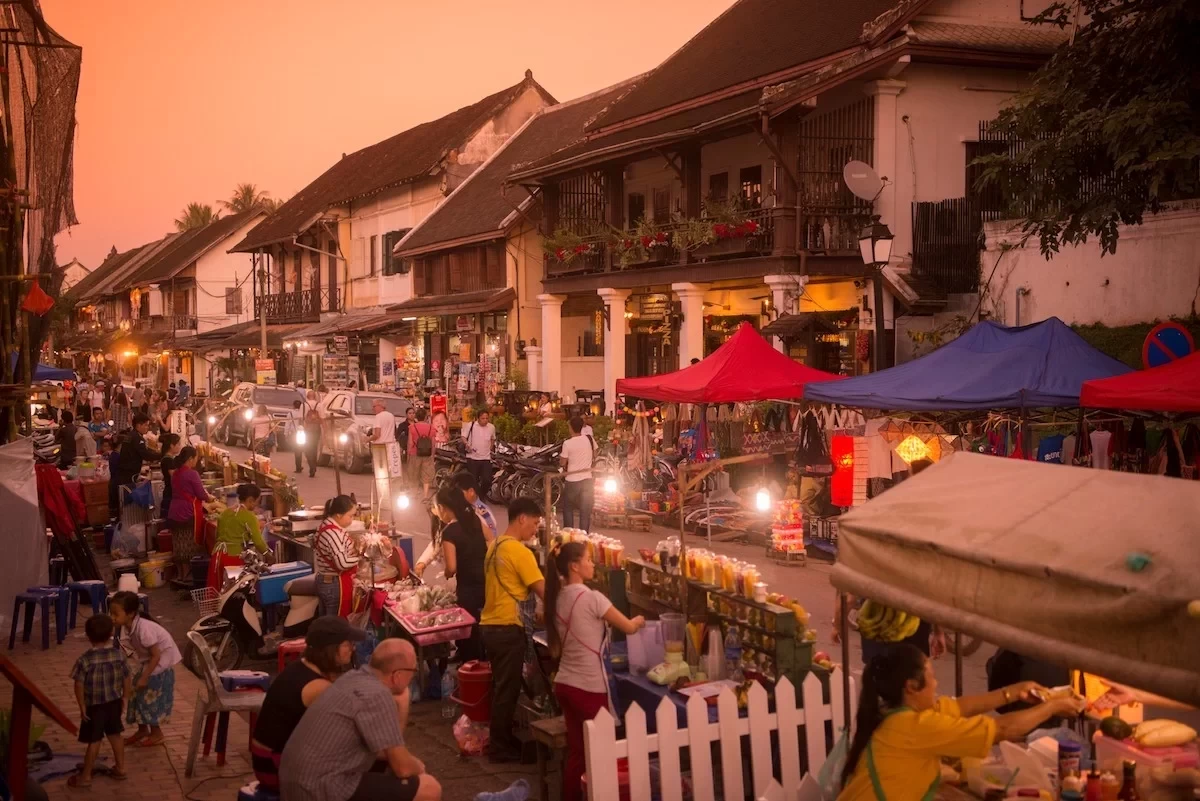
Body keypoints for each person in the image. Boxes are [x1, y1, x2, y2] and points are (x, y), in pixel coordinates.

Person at [837, 644, 1087, 801]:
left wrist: (1014, 691)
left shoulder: (898, 713)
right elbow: (1003, 729)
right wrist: (1053, 706)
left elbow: (961, 707)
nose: (936, 685)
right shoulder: (915, 726)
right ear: (911, 687)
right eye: (931, 677)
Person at [279, 639, 441, 801]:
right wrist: (418, 767)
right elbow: (403, 767)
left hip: (295, 781)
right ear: (397, 675)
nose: (413, 676)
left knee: (389, 768)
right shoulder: (377, 694)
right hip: (319, 787)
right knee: (429, 788)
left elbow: (386, 749)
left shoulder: (352, 678)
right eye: (414, 670)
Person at [547, 542, 645, 801]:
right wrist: (639, 621)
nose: (592, 564)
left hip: (564, 684)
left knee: (578, 754)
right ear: (574, 566)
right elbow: (628, 627)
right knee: (602, 752)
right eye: (588, 560)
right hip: (588, 687)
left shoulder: (556, 598)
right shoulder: (593, 598)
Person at [251, 616, 365, 793]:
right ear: (331, 649)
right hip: (274, 766)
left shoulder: (303, 667)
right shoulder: (317, 687)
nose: (353, 648)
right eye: (347, 643)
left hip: (268, 759)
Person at [480, 498, 546, 763]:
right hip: (507, 628)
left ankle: (502, 740)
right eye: (534, 523)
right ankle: (499, 747)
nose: (535, 529)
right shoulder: (520, 552)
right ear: (522, 519)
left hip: (490, 626)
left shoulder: (495, 546)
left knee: (502, 687)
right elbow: (545, 591)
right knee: (507, 691)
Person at [110, 591, 181, 747]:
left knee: (150, 700)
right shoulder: (127, 627)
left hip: (160, 666)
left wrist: (144, 677)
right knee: (136, 696)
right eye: (111, 613)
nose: (112, 617)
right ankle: (142, 730)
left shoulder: (144, 629)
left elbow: (156, 656)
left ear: (130, 614)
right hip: (149, 663)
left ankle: (157, 734)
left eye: (116, 614)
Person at [67, 614, 131, 788]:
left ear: (88, 636)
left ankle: (86, 776)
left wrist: (81, 706)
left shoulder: (85, 660)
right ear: (111, 633)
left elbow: (78, 685)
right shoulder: (119, 655)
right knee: (115, 735)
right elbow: (127, 678)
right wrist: (125, 697)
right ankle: (120, 768)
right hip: (114, 703)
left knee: (94, 740)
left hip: (94, 706)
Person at [433, 486, 487, 662]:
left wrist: (447, 573)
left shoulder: (449, 532)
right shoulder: (476, 520)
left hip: (468, 587)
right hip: (486, 582)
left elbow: (452, 567)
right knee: (482, 625)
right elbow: (493, 541)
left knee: (468, 627)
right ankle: (482, 663)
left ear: (442, 508)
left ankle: (470, 667)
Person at [210, 483, 270, 589]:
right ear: (250, 500)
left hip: (217, 556)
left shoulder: (226, 512)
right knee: (232, 592)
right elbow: (258, 542)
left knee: (216, 592)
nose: (257, 505)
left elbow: (217, 535)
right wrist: (268, 554)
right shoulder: (249, 516)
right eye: (257, 501)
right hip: (233, 557)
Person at [315, 495, 359, 618]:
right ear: (339, 515)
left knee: (327, 622)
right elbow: (342, 563)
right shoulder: (332, 533)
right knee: (334, 625)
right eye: (350, 516)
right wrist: (361, 558)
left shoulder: (325, 525)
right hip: (333, 584)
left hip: (326, 581)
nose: (352, 519)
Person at [166, 446, 211, 564]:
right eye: (196, 458)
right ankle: (188, 574)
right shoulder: (192, 474)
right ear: (191, 458)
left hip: (174, 511)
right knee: (189, 545)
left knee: (178, 544)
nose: (196, 461)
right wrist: (210, 498)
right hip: (187, 512)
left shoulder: (175, 473)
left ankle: (181, 574)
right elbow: (201, 494)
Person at [110, 413, 159, 517]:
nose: (147, 427)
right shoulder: (137, 438)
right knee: (128, 503)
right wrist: (161, 455)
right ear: (138, 425)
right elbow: (146, 454)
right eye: (146, 425)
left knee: (122, 503)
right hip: (128, 475)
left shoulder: (130, 436)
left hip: (123, 474)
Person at [559, 416, 595, 531]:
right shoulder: (589, 439)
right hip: (587, 479)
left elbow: (562, 462)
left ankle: (569, 535)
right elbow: (595, 454)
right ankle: (584, 538)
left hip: (572, 480)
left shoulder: (567, 443)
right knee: (585, 511)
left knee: (568, 508)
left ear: (570, 428)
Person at [451, 471, 497, 541]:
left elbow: (492, 539)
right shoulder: (461, 507)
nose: (456, 497)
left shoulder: (483, 513)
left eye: (459, 494)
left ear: (471, 492)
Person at [462, 410, 496, 498]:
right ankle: (475, 498)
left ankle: (481, 495)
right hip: (473, 458)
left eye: (487, 418)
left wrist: (491, 447)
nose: (485, 420)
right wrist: (467, 444)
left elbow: (493, 438)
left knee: (487, 480)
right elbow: (463, 436)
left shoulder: (491, 427)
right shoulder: (471, 425)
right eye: (483, 418)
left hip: (486, 458)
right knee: (474, 480)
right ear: (478, 418)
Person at [407, 408, 435, 500]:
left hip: (415, 453)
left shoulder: (412, 427)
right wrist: (432, 455)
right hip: (427, 454)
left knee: (414, 474)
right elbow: (433, 443)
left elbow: (410, 443)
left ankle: (414, 494)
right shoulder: (431, 428)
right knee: (426, 474)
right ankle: (425, 495)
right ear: (426, 417)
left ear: (416, 417)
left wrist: (408, 454)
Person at [302, 389, 323, 477]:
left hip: (307, 430)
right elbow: (322, 418)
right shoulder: (320, 405)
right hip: (317, 429)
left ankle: (311, 465)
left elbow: (301, 418)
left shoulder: (304, 405)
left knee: (307, 448)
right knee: (314, 448)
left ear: (307, 396)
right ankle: (314, 465)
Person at [290, 399, 307, 474]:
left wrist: (286, 433)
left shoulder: (290, 413)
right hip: (303, 433)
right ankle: (299, 466)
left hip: (294, 433)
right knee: (300, 450)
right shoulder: (303, 413)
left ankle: (298, 467)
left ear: (293, 406)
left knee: (296, 451)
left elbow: (288, 424)